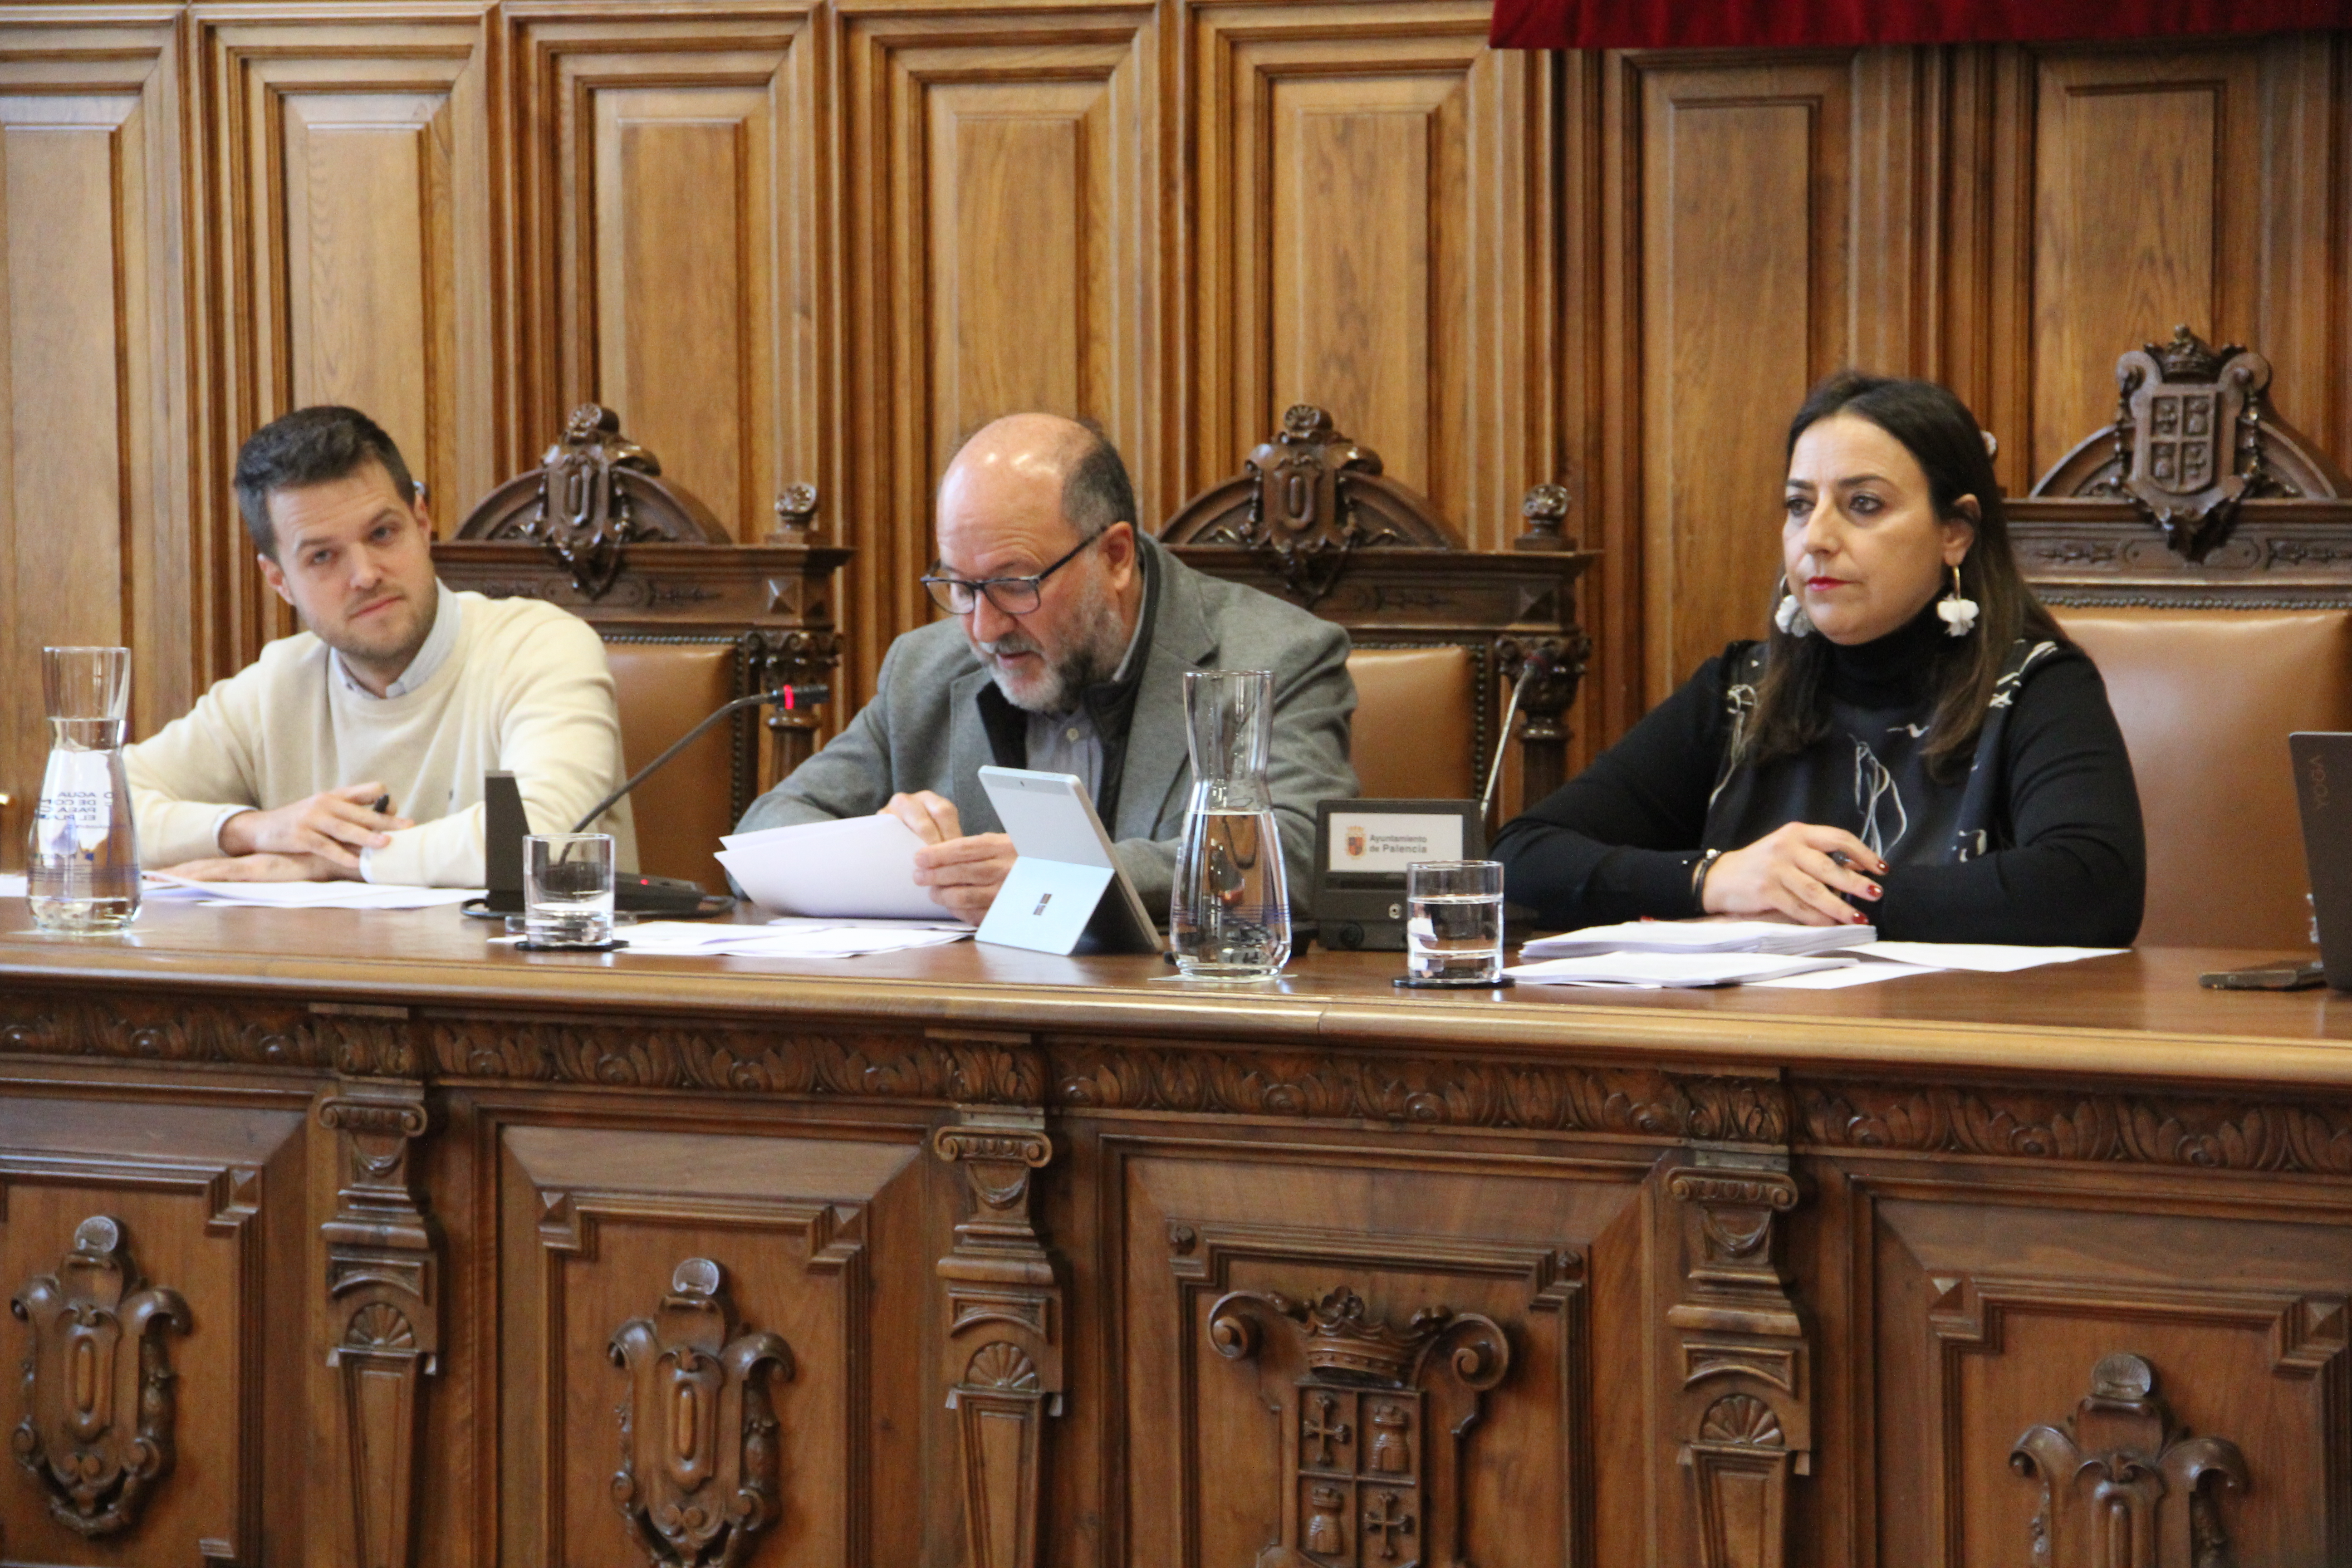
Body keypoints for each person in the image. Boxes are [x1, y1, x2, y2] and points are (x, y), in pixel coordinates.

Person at [1495, 372, 2144, 944]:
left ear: (1955, 533)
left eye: (1864, 505)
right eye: (1800, 505)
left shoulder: (2036, 685)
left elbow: (2092, 886)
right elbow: (1524, 855)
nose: (1817, 538)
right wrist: (1717, 879)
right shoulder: (1740, 689)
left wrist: (1817, 900)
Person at [736, 412, 1358, 924]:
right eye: (959, 587)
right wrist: (884, 852)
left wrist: (1066, 875)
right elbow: (767, 833)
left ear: (1115, 556)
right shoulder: (923, 669)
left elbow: (1300, 856)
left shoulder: (1273, 658)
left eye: (1013, 584)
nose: (983, 628)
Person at [127, 406, 636, 887]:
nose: (366, 576)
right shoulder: (277, 684)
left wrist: (330, 861)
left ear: (421, 522)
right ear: (280, 580)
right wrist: (250, 830)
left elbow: (536, 837)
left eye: (383, 533)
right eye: (323, 556)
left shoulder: (541, 648)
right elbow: (89, 810)